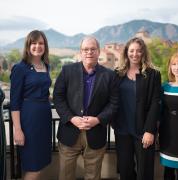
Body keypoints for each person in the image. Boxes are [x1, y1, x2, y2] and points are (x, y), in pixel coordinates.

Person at [53, 36, 119, 180]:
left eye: (92, 49)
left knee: (93, 176)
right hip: (70, 131)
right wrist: (71, 118)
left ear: (99, 51)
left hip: (95, 132)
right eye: (85, 49)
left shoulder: (109, 75)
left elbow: (114, 103)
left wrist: (98, 119)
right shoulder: (67, 71)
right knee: (65, 175)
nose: (89, 52)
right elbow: (58, 97)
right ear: (81, 52)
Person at [113, 37, 161, 180]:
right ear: (126, 52)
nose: (135, 54)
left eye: (139, 51)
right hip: (122, 130)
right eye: (132, 50)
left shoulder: (153, 74)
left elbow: (155, 103)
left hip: (143, 131)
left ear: (143, 53)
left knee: (144, 172)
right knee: (125, 170)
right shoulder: (117, 74)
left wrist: (150, 130)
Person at [10, 30, 52, 180]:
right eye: (33, 43)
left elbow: (44, 92)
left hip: (44, 119)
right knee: (33, 166)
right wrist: (18, 130)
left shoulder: (47, 66)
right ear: (28, 46)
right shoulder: (20, 68)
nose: (37, 46)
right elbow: (14, 102)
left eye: (41, 43)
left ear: (45, 46)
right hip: (29, 121)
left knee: (41, 164)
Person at [159, 52, 178, 180]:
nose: (177, 67)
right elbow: (159, 112)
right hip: (168, 137)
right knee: (168, 173)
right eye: (174, 64)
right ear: (170, 67)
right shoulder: (165, 87)